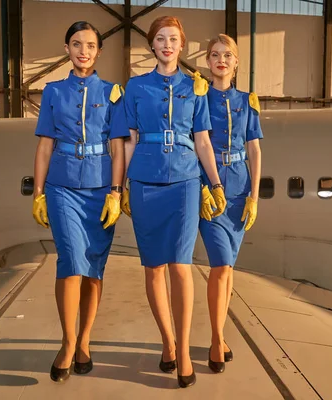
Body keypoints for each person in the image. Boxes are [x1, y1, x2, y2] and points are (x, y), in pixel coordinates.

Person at [121, 16, 226, 388]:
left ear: (182, 46)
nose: (167, 45)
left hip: (184, 183)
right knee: (153, 268)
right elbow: (128, 140)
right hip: (146, 183)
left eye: (174, 39)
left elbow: (202, 141)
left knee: (181, 266)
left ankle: (182, 351)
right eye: (161, 39)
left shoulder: (195, 89)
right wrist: (121, 188)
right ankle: (166, 340)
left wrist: (214, 183)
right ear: (151, 45)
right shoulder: (135, 88)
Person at [32, 21, 129, 383]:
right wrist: (39, 193)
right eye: (76, 44)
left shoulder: (113, 92)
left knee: (93, 269)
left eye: (90, 45)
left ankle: (86, 338)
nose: (83, 51)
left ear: (99, 51)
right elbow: (44, 146)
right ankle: (68, 342)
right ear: (67, 48)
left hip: (100, 189)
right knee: (70, 262)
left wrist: (116, 193)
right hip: (62, 187)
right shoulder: (53, 92)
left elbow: (118, 148)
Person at [199, 33, 263, 374]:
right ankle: (215, 339)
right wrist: (203, 187)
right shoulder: (198, 99)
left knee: (229, 271)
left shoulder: (247, 102)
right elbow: (195, 145)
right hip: (213, 192)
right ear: (207, 62)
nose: (221, 60)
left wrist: (254, 196)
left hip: (239, 193)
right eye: (214, 55)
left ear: (236, 63)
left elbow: (254, 149)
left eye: (227, 55)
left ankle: (220, 335)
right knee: (220, 266)